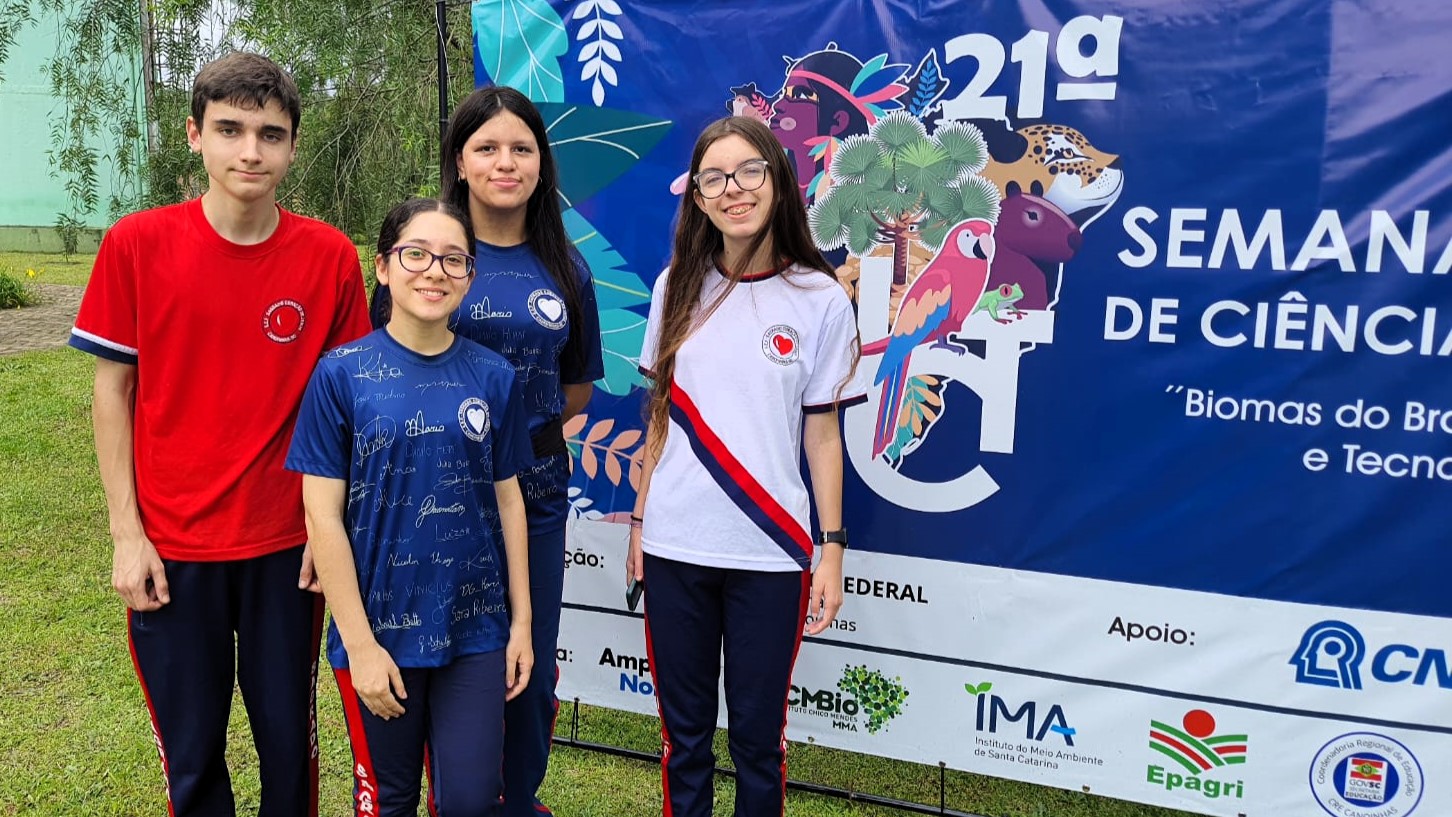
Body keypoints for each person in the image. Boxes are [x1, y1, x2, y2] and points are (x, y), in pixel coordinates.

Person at [67, 51, 372, 816]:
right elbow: (113, 392)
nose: (250, 151)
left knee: (288, 749)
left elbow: (346, 407)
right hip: (171, 549)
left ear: (293, 146)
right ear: (194, 134)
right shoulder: (136, 245)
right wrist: (125, 534)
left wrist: (322, 526)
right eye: (230, 129)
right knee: (193, 750)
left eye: (270, 134)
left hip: (284, 549)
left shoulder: (328, 256)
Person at [372, 85, 603, 816]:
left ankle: (516, 798)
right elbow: (378, 382)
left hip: (530, 500)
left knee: (524, 672)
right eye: (487, 147)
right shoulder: (423, 254)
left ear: (542, 163)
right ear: (460, 162)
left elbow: (575, 391)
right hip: (422, 505)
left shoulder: (567, 268)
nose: (506, 162)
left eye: (522, 148)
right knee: (432, 663)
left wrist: (512, 439)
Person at [626, 115, 867, 817]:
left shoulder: (821, 298)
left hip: (771, 554)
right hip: (675, 546)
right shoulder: (677, 285)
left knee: (759, 743)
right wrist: (639, 525)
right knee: (686, 741)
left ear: (778, 179)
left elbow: (823, 435)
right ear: (697, 197)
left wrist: (832, 548)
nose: (733, 189)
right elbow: (658, 418)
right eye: (714, 178)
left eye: (748, 171)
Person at [287, 198, 534, 816]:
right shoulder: (339, 375)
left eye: (454, 259)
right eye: (416, 254)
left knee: (472, 801)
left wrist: (522, 624)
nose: (435, 271)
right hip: (379, 629)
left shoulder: (493, 375)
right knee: (388, 800)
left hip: (474, 627)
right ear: (383, 268)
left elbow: (510, 503)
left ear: (469, 277)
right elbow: (322, 517)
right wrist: (360, 644)